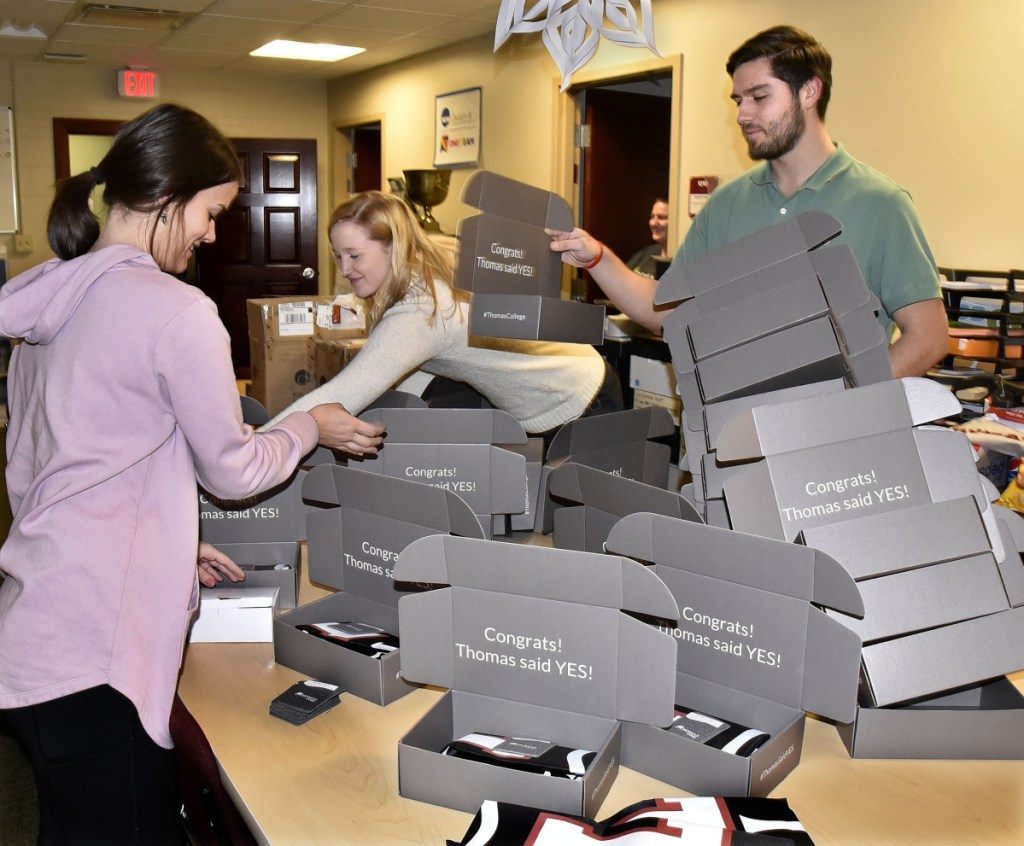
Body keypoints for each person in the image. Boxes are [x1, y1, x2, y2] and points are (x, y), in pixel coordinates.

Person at [0, 103, 383, 844]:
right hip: (97, 660)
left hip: (36, 628)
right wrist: (311, 424)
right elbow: (235, 469)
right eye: (210, 212)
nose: (212, 233)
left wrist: (162, 543)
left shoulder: (46, 302)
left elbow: (49, 473)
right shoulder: (176, 312)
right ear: (169, 197)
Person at [549, 25, 948, 379]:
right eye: (738, 100)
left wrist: (848, 401)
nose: (742, 114)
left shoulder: (881, 204)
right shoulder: (727, 205)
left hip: (832, 448)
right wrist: (598, 259)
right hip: (729, 441)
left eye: (759, 97)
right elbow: (666, 312)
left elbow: (928, 338)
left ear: (809, 91)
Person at [265, 190, 620, 439]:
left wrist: (255, 448)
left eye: (355, 255)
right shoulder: (435, 258)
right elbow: (409, 369)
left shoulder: (421, 312)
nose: (344, 268)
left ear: (396, 247)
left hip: (578, 401)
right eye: (337, 255)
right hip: (578, 374)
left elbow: (344, 393)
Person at [625, 196, 670, 278]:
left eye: (661, 217)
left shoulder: (682, 261)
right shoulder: (645, 253)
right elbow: (622, 281)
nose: (653, 223)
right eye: (652, 216)